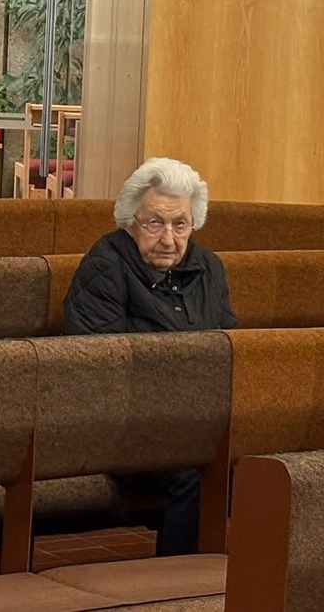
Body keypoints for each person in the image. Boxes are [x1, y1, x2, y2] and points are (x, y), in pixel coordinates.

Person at [61, 157, 237, 556]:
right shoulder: (105, 266)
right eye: (155, 223)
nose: (169, 239)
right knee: (197, 467)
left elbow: (229, 346)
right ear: (130, 221)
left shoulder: (209, 268)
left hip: (196, 420)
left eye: (181, 224)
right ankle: (179, 581)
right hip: (122, 424)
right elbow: (97, 367)